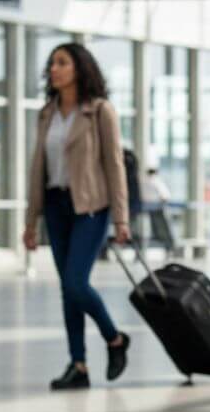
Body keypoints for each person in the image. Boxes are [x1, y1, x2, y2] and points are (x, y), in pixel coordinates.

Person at [23, 43, 133, 391]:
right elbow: (37, 167)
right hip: (56, 206)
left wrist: (121, 219)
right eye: (51, 64)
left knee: (75, 282)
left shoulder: (99, 111)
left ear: (79, 69)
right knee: (67, 290)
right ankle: (79, 365)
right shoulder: (46, 113)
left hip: (90, 208)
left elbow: (114, 166)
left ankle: (114, 339)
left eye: (61, 63)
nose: (53, 69)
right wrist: (30, 220)